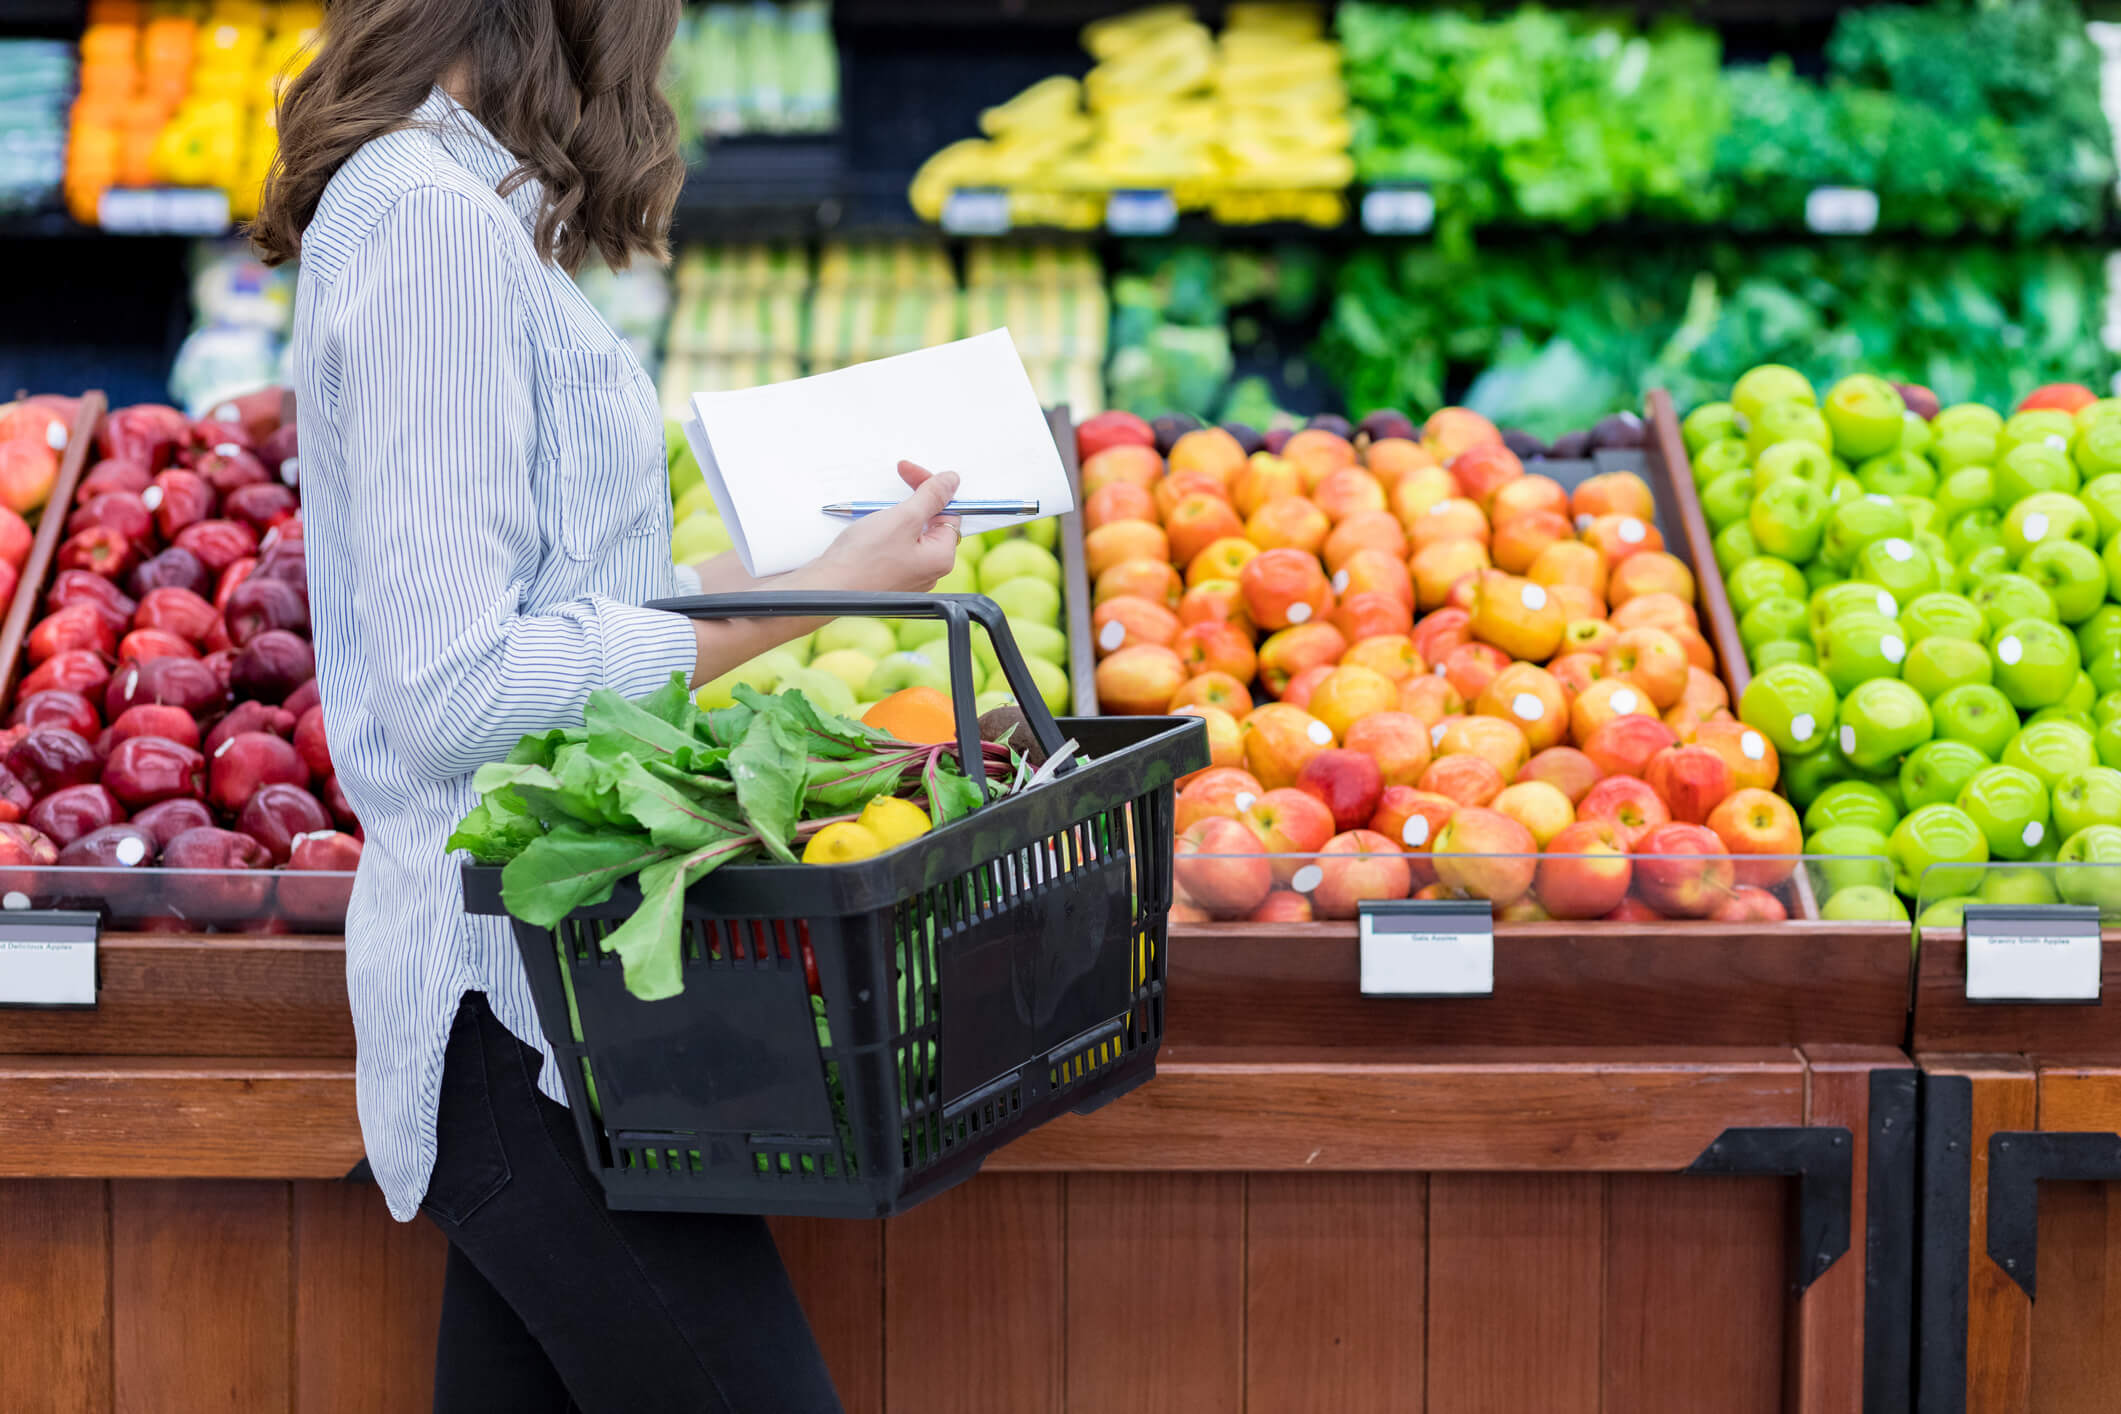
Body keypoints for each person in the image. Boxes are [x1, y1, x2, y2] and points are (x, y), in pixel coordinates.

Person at [251, 3, 960, 1409]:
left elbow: (569, 593)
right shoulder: (428, 230)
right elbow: (457, 685)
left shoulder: (455, 205)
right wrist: (800, 605)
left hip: (568, 1005)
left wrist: (817, 566)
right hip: (514, 1017)